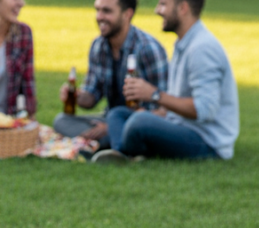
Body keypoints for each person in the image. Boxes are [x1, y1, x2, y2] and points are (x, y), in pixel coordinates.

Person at [95, 0, 238, 162]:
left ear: (183, 8)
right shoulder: (183, 44)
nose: (157, 10)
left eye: (163, 4)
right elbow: (175, 107)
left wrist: (154, 94)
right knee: (117, 114)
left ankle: (121, 152)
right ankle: (123, 152)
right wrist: (154, 114)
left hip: (207, 142)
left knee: (139, 122)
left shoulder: (202, 48)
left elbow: (204, 109)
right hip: (180, 126)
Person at [53, 0, 168, 150]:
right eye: (98, 10)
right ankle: (106, 141)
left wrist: (112, 126)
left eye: (107, 11)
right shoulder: (98, 46)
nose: (99, 17)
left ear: (127, 14)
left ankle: (102, 141)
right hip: (108, 118)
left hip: (142, 121)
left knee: (126, 127)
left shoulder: (148, 49)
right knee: (61, 121)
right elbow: (91, 97)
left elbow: (165, 110)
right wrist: (75, 96)